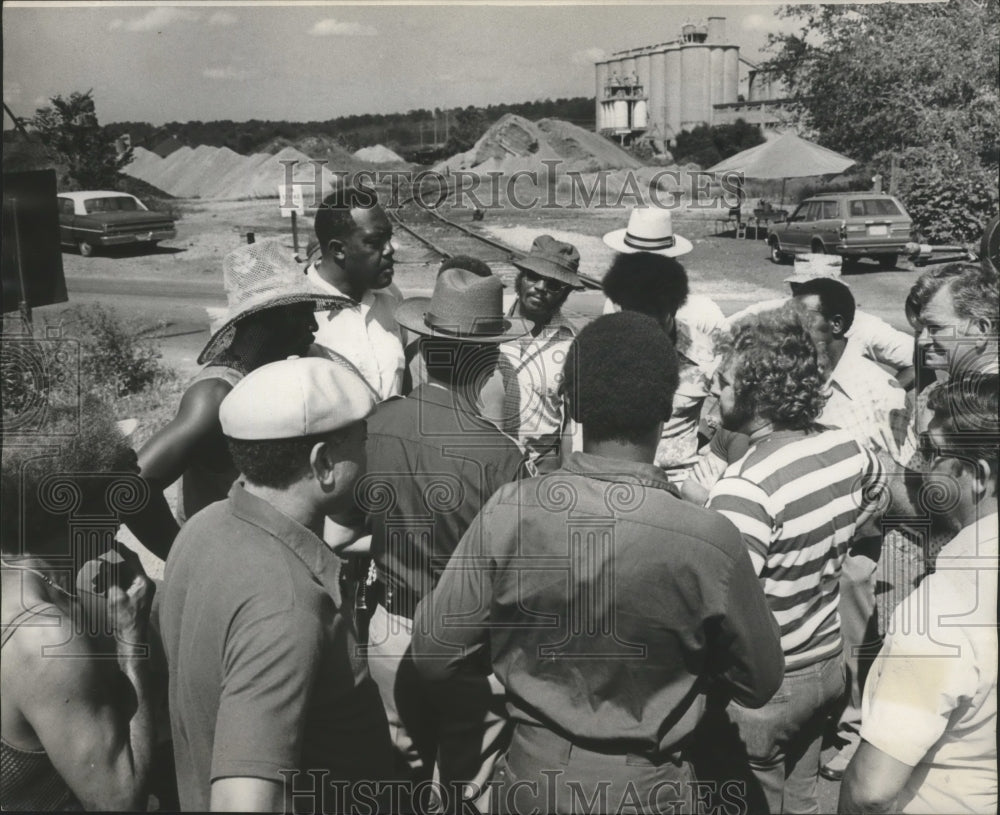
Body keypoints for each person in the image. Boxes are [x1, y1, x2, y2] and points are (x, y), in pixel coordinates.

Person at [412, 312, 784, 814]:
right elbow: (759, 684)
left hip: (529, 777)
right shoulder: (709, 540)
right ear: (667, 404)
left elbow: (435, 654)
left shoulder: (510, 509)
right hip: (650, 789)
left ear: (572, 403)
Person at [158, 357, 391, 812]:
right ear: (323, 462)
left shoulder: (203, 527)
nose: (368, 457)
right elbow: (241, 802)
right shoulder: (287, 607)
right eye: (362, 443)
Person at [705, 307, 887, 814]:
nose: (714, 390)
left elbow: (722, 609)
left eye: (724, 382)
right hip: (827, 664)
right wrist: (832, 539)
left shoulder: (744, 487)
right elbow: (876, 499)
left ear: (757, 396)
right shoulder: (850, 447)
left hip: (767, 688)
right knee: (803, 800)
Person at [361, 266, 527, 805]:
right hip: (465, 646)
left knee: (396, 774)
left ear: (425, 349)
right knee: (466, 783)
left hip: (389, 629)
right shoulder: (500, 455)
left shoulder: (376, 424)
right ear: (486, 362)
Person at [839, 374, 998, 814]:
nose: (919, 465)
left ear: (977, 478)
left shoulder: (941, 610)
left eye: (930, 452)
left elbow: (871, 791)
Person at [1, 400, 156, 811]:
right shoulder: (45, 640)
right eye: (112, 493)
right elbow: (123, 801)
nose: (122, 512)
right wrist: (131, 641)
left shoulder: (22, 577)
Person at [138, 238, 347, 525]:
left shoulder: (274, 371)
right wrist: (177, 550)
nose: (313, 326)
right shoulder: (215, 396)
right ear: (266, 321)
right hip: (225, 558)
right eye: (301, 313)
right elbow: (133, 484)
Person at [600, 249, 723, 480]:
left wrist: (711, 432)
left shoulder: (704, 351)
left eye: (651, 312)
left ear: (673, 307)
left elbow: (738, 400)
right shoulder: (602, 346)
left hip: (677, 480)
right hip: (615, 478)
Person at [723, 266, 916, 389]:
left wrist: (888, 396)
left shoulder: (864, 325)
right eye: (797, 289)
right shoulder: (777, 310)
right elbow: (726, 329)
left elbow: (918, 359)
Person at [492, 235, 584, 468]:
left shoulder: (573, 344)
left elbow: (570, 426)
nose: (541, 288)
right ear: (521, 277)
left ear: (566, 293)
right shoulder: (489, 318)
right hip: (484, 458)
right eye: (534, 277)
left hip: (538, 465)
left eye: (553, 284)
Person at [306, 186, 405, 402]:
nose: (390, 249)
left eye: (389, 237)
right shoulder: (299, 309)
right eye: (375, 242)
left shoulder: (391, 296)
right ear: (338, 250)